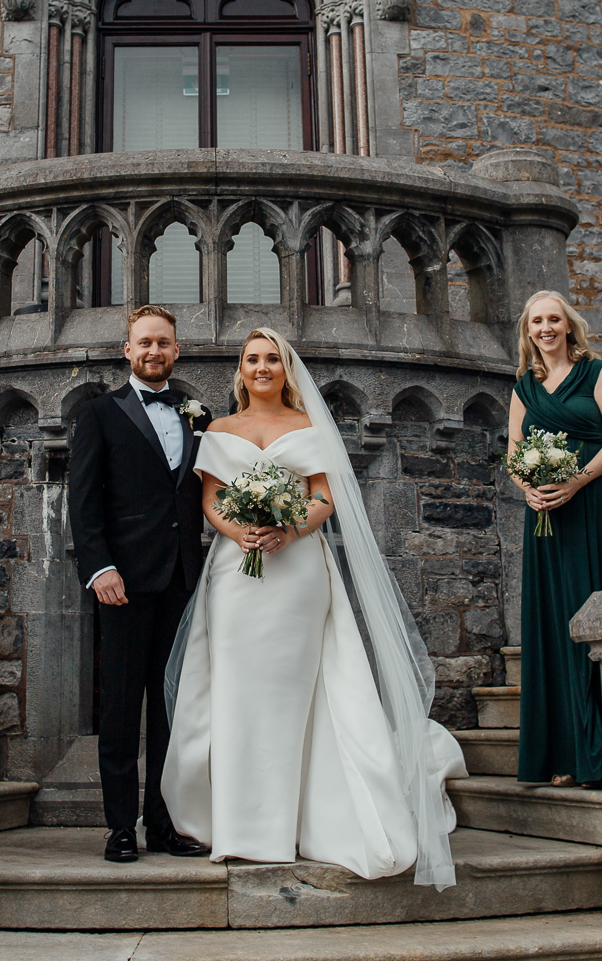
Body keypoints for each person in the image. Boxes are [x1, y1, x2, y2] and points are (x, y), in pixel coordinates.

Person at [162, 327, 466, 888]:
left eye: (272, 358)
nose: (262, 367)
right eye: (253, 359)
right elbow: (208, 499)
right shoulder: (219, 429)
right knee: (235, 692)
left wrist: (286, 529)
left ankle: (296, 821)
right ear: (241, 369)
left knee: (292, 694)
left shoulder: (308, 426)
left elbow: (323, 496)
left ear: (286, 368)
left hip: (298, 571)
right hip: (234, 573)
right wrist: (242, 532)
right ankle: (238, 829)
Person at [67, 305, 214, 864]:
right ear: (127, 351)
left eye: (164, 343)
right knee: (122, 710)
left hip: (181, 579)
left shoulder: (197, 413)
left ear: (177, 351)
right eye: (144, 343)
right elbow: (84, 503)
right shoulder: (99, 413)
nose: (154, 351)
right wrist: (99, 569)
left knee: (172, 711)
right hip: (122, 583)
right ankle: (120, 827)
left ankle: (163, 823)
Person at [507, 291, 602, 789]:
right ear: (528, 331)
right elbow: (514, 450)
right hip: (547, 516)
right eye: (536, 320)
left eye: (553, 319)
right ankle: (564, 753)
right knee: (555, 623)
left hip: (595, 503)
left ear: (568, 326)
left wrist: (576, 480)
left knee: (600, 612)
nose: (545, 328)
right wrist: (528, 490)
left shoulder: (598, 373)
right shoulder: (524, 387)